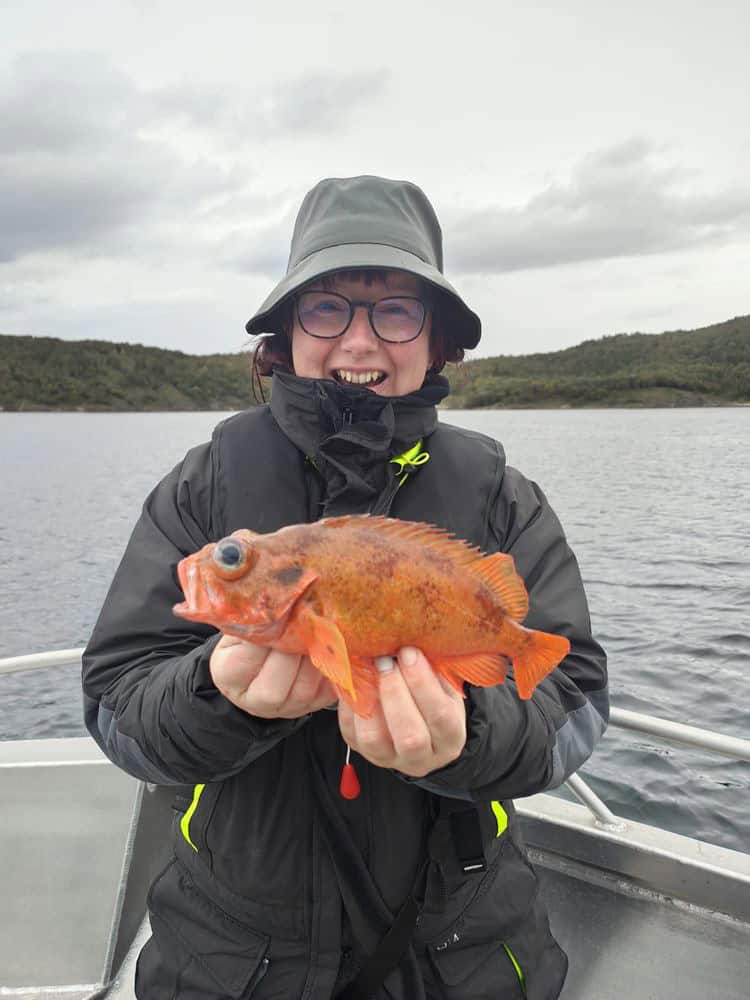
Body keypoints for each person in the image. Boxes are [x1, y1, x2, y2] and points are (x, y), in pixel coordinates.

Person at [82, 175, 608, 999]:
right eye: (326, 309)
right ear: (286, 332)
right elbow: (116, 710)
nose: (359, 343)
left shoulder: (503, 496)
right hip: (230, 958)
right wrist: (215, 698)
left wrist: (470, 735)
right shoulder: (205, 486)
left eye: (397, 311)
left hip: (466, 955)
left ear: (437, 341)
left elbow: (573, 708)